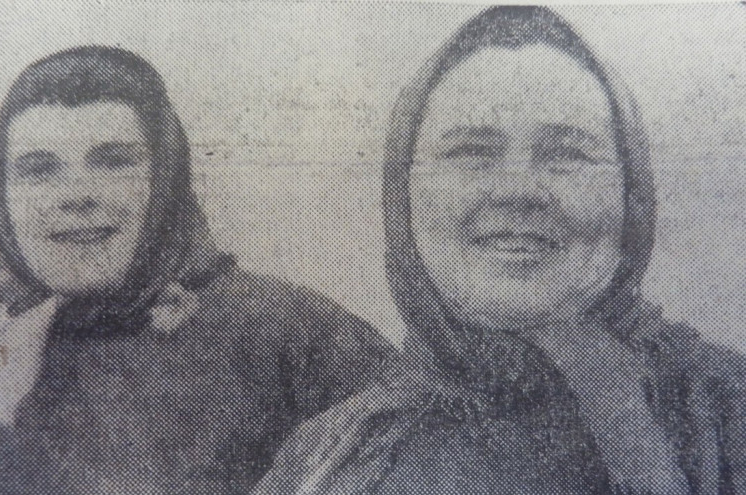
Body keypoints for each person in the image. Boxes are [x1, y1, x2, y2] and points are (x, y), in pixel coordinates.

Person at [254, 6, 746, 494]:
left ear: (631, 192)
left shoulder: (726, 413)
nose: (518, 191)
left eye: (567, 153)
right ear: (404, 194)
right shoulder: (326, 461)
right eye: (471, 152)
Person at [0, 45, 391, 495]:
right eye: (38, 170)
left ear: (166, 178)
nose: (75, 196)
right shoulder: (17, 364)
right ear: (1, 195)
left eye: (114, 162)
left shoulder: (293, 332)